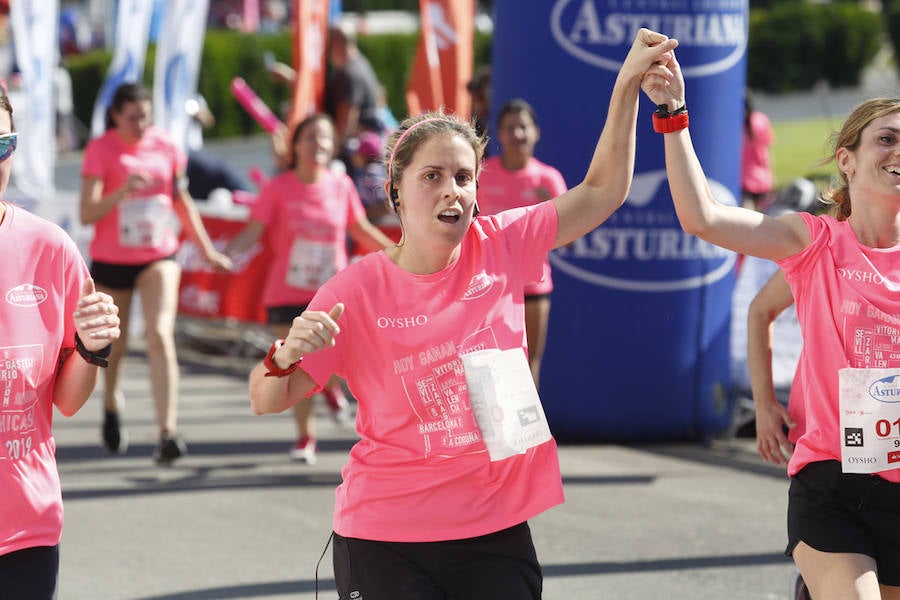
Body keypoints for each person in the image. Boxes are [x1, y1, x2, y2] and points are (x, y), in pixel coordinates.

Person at [247, 29, 677, 598]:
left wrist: (624, 89)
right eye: (432, 177)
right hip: (385, 536)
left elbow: (602, 191)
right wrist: (284, 355)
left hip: (493, 529)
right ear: (397, 190)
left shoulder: (499, 244)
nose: (452, 191)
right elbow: (265, 397)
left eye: (464, 177)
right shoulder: (356, 289)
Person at [642, 36, 900, 600]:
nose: (899, 151)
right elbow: (703, 217)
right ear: (847, 160)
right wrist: (671, 113)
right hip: (832, 481)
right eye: (887, 139)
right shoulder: (813, 243)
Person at [0, 89, 121, 598]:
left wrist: (93, 349)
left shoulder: (51, 249)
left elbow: (66, 401)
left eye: (2, 143)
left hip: (27, 525)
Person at [226, 114, 393, 464]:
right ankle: (306, 437)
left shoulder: (341, 184)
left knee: (327, 364)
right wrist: (225, 255)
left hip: (330, 295)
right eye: (311, 138)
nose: (318, 145)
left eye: (325, 139)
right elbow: (254, 230)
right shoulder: (278, 187)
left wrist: (400, 256)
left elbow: (359, 228)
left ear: (333, 146)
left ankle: (330, 390)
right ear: (296, 145)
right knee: (295, 365)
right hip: (285, 294)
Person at [79, 82, 232, 464]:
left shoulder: (166, 147)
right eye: (132, 117)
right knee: (112, 348)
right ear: (115, 116)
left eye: (145, 115)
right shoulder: (101, 150)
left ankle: (168, 431)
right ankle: (111, 404)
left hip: (158, 254)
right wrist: (121, 192)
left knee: (160, 333)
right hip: (112, 260)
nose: (141, 124)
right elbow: (86, 213)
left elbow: (181, 202)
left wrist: (207, 249)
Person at [477, 98, 567, 385]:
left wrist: (552, 213)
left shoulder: (548, 179)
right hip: (486, 286)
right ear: (499, 133)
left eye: (523, 127)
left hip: (533, 286)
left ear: (536, 132)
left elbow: (570, 242)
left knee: (528, 364)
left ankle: (528, 431)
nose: (517, 135)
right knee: (487, 362)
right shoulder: (481, 174)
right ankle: (487, 430)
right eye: (509, 128)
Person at [324, 22, 383, 155]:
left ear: (337, 43)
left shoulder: (349, 72)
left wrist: (334, 150)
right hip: (366, 146)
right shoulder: (362, 63)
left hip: (354, 152)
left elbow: (348, 116)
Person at [741, 89, 775, 211]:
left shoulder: (735, 124)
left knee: (747, 219)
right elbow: (767, 152)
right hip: (763, 179)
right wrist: (771, 178)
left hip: (744, 181)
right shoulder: (762, 120)